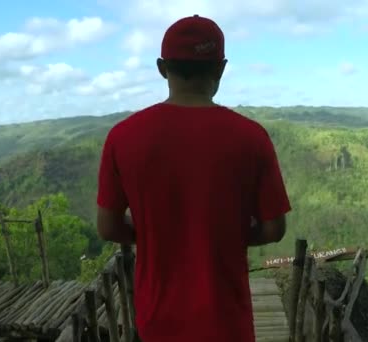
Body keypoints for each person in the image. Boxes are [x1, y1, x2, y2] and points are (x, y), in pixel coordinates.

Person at [96, 14, 291, 342]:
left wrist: (164, 234)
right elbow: (274, 228)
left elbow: (108, 227)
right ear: (221, 68)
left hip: (158, 320)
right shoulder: (252, 137)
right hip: (228, 320)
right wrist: (221, 235)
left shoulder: (123, 137)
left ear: (162, 68)